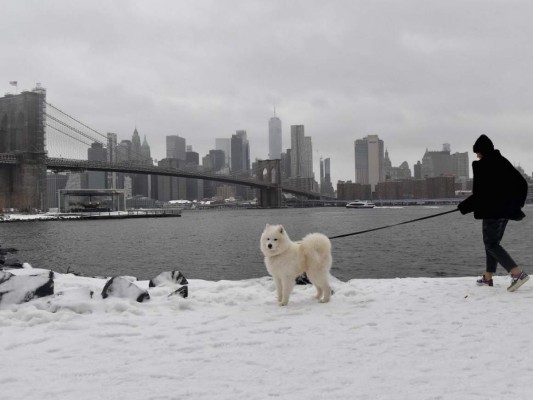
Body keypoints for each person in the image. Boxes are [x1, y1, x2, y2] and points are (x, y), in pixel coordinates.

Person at [458, 134, 529, 292]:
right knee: (492, 244)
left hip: (493, 212)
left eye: (478, 152)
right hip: (505, 211)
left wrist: (463, 207)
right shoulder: (502, 162)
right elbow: (522, 183)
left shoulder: (484, 166)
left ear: (483, 151)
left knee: (490, 244)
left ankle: (517, 273)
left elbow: (481, 195)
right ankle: (488, 277)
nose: (477, 155)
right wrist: (515, 204)